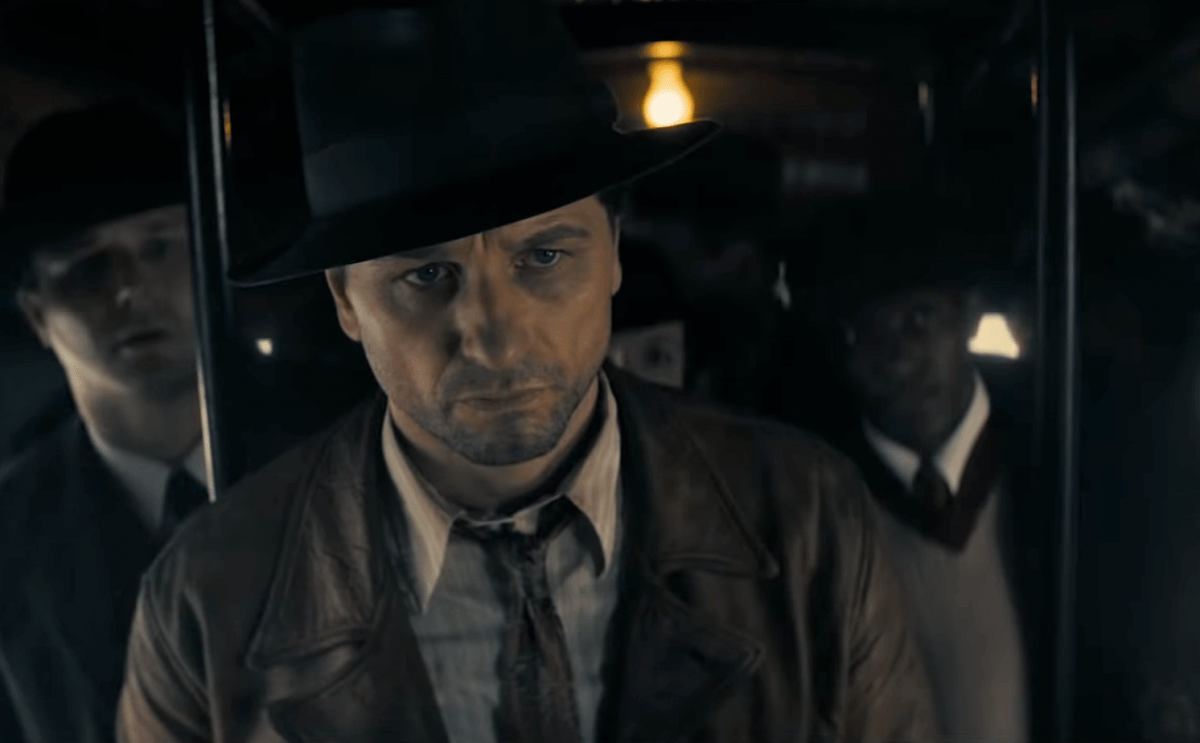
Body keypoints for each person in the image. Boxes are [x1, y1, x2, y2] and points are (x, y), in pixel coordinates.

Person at [116, 2, 937, 741]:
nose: (495, 340)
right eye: (425, 275)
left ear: (613, 250)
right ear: (345, 299)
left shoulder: (807, 518)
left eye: (544, 256)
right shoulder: (204, 601)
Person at [791, 194, 1040, 741]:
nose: (898, 358)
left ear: (968, 316)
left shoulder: (1056, 462)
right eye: (864, 334)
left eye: (920, 320)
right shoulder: (816, 507)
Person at [0, 101, 211, 742]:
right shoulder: (10, 538)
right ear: (36, 313)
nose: (128, 288)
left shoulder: (342, 462)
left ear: (209, 257)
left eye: (159, 246)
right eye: (86, 264)